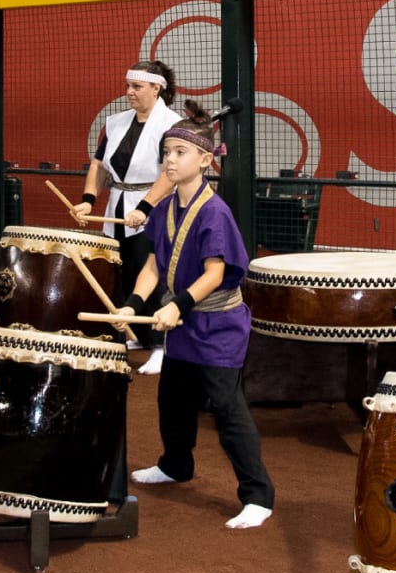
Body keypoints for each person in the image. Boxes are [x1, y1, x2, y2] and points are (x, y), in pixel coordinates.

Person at [125, 102, 274, 530]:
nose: (169, 160)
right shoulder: (167, 206)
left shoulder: (215, 212)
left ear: (206, 160)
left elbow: (215, 273)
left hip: (217, 325)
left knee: (227, 407)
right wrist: (135, 305)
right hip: (183, 322)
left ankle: (258, 495)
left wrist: (176, 305)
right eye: (166, 152)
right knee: (172, 399)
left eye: (179, 153)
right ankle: (175, 465)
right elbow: (154, 265)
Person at [72, 60, 179, 373]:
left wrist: (144, 208)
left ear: (156, 88)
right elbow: (99, 166)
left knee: (152, 273)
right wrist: (89, 200)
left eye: (137, 87)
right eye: (128, 86)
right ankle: (137, 334)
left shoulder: (171, 124)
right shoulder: (116, 121)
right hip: (117, 206)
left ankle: (161, 345)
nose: (129, 92)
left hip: (155, 208)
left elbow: (169, 174)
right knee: (122, 273)